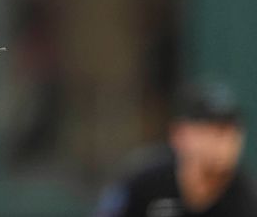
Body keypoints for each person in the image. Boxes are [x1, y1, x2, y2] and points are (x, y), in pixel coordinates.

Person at [93, 81, 257, 217]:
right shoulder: (143, 183)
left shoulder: (247, 198)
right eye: (212, 130)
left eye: (232, 131)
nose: (224, 142)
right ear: (179, 135)